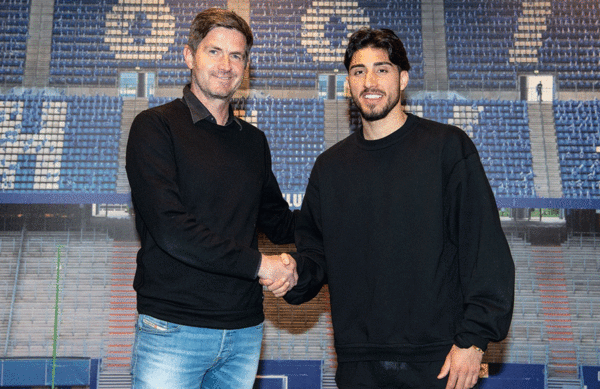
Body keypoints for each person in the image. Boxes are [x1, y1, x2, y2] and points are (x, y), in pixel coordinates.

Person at [267, 28, 515, 389]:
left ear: (403, 78)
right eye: (358, 71)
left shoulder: (447, 149)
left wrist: (475, 339)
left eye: (381, 69)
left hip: (439, 361)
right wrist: (291, 276)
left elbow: (486, 252)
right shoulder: (329, 168)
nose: (370, 81)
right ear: (349, 82)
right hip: (358, 365)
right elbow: (315, 256)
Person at [126, 8, 298, 389]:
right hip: (172, 329)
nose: (226, 65)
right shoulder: (155, 128)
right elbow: (173, 230)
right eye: (214, 51)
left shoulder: (253, 141)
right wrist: (262, 266)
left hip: (244, 331)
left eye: (237, 55)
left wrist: (346, 206)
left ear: (247, 65)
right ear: (189, 56)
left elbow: (279, 221)